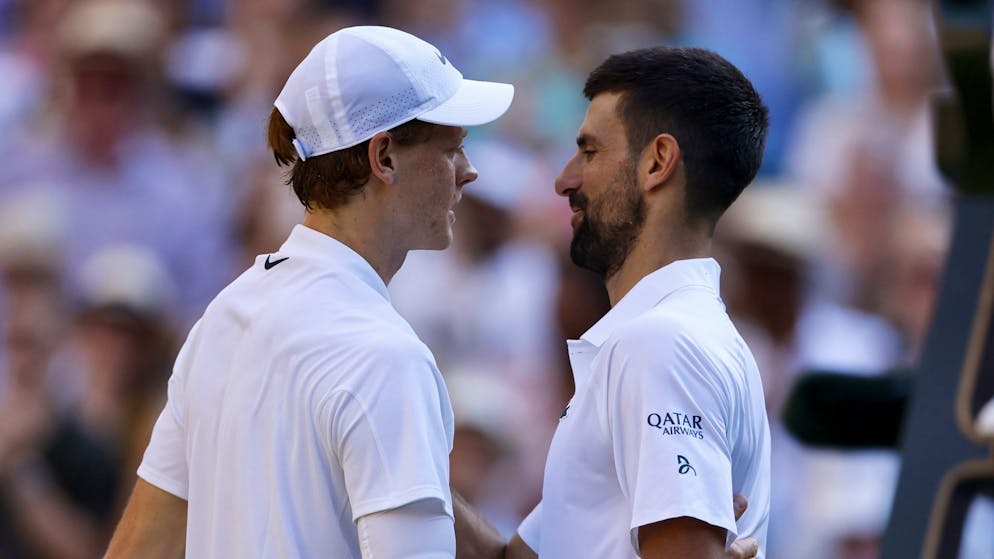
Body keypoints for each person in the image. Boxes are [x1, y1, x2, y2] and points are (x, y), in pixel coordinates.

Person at [104, 25, 514, 558]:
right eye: (452, 148)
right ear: (383, 156)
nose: (469, 171)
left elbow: (136, 551)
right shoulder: (385, 356)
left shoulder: (225, 317)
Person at [461, 46, 772, 559]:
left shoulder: (660, 345)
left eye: (588, 151)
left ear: (657, 162)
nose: (564, 180)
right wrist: (390, 460)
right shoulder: (659, 340)